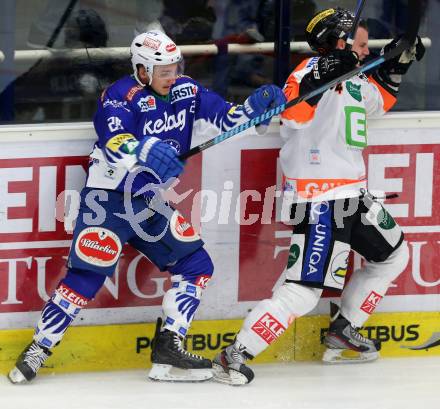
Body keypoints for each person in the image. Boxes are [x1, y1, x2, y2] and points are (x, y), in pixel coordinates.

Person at [8, 29, 286, 384]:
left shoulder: (187, 90)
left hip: (149, 202)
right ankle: (38, 349)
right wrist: (142, 149)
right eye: (163, 70)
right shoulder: (121, 95)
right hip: (107, 199)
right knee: (86, 277)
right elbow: (113, 138)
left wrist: (254, 107)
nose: (172, 76)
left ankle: (168, 350)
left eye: (175, 67)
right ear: (142, 69)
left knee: (195, 264)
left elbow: (227, 119)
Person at [212, 7, 425, 385]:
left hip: (351, 196)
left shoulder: (356, 78)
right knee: (304, 290)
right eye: (357, 43)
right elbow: (292, 114)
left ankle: (344, 329)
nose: (365, 48)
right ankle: (235, 354)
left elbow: (381, 99)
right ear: (336, 42)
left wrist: (398, 63)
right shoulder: (308, 72)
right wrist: (325, 73)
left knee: (394, 253)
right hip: (320, 200)